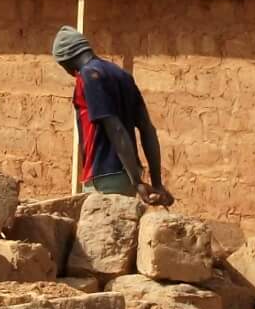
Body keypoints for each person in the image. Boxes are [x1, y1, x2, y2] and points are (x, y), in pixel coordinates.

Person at [51, 25, 171, 204]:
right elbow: (147, 129)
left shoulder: (88, 77)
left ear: (65, 60)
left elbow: (116, 129)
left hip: (104, 177)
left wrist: (137, 182)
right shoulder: (122, 75)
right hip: (128, 175)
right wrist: (157, 183)